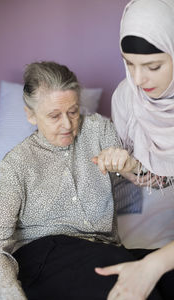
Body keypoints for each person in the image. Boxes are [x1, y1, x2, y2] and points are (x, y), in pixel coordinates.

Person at [0, 61, 142, 300]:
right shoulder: (16, 164)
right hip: (45, 256)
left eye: (73, 111)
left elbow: (154, 180)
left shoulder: (99, 130)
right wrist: (10, 295)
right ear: (30, 115)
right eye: (54, 115)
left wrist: (132, 165)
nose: (67, 124)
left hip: (106, 253)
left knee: (161, 269)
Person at [95, 0, 174, 299]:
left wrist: (153, 266)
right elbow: (157, 178)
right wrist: (129, 167)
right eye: (128, 63)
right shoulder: (126, 97)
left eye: (153, 66)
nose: (138, 79)